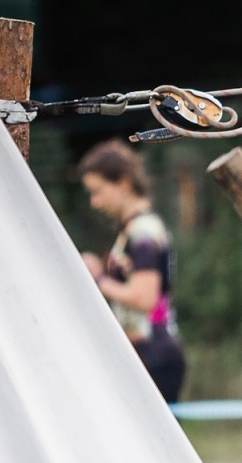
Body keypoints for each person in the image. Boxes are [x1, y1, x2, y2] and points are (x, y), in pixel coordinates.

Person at [78, 139, 186, 402]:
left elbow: (143, 297)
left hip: (153, 355)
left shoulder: (143, 232)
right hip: (146, 353)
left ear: (123, 183)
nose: (95, 202)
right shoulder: (135, 229)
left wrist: (98, 278)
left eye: (99, 191)